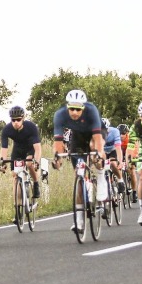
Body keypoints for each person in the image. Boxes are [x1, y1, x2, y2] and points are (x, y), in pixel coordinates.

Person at [52, 89, 106, 232]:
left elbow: (97, 139)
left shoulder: (91, 110)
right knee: (79, 174)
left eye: (78, 109)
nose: (75, 112)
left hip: (96, 132)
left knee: (94, 148)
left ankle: (101, 178)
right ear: (67, 107)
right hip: (78, 135)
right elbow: (58, 141)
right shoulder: (59, 115)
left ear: (83, 107)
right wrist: (58, 158)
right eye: (72, 109)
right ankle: (79, 222)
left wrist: (99, 153)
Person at [0, 106, 43, 219]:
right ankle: (17, 209)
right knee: (15, 176)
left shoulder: (31, 127)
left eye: (18, 119)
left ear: (23, 118)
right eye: (13, 120)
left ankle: (36, 183)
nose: (16, 122)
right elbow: (4, 149)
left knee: (28, 164)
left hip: (30, 148)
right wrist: (2, 163)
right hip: (17, 150)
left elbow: (37, 148)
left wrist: (36, 161)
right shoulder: (7, 129)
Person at [100, 118, 126, 206]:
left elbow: (118, 148)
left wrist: (120, 161)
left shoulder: (115, 132)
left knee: (113, 164)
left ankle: (120, 180)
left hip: (113, 150)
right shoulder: (96, 134)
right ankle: (107, 192)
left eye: (105, 130)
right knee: (100, 167)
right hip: (102, 151)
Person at [117, 122, 138, 201]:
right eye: (120, 133)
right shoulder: (116, 138)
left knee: (132, 170)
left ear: (127, 133)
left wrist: (131, 160)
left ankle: (134, 192)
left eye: (123, 133)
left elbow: (134, 150)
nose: (121, 135)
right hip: (121, 153)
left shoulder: (130, 139)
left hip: (130, 152)